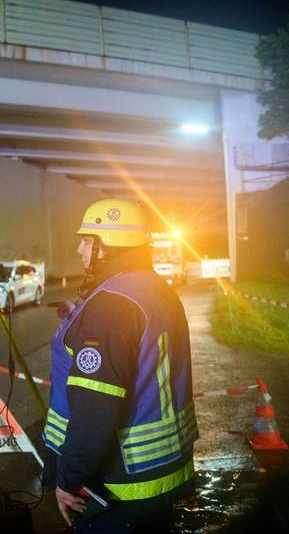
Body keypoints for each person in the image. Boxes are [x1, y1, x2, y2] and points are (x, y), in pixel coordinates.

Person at [43, 198, 198, 533]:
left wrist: (68, 477)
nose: (80, 249)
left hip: (119, 481)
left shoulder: (111, 305)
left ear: (106, 247)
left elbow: (95, 404)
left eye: (87, 241)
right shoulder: (153, 287)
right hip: (160, 471)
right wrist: (83, 316)